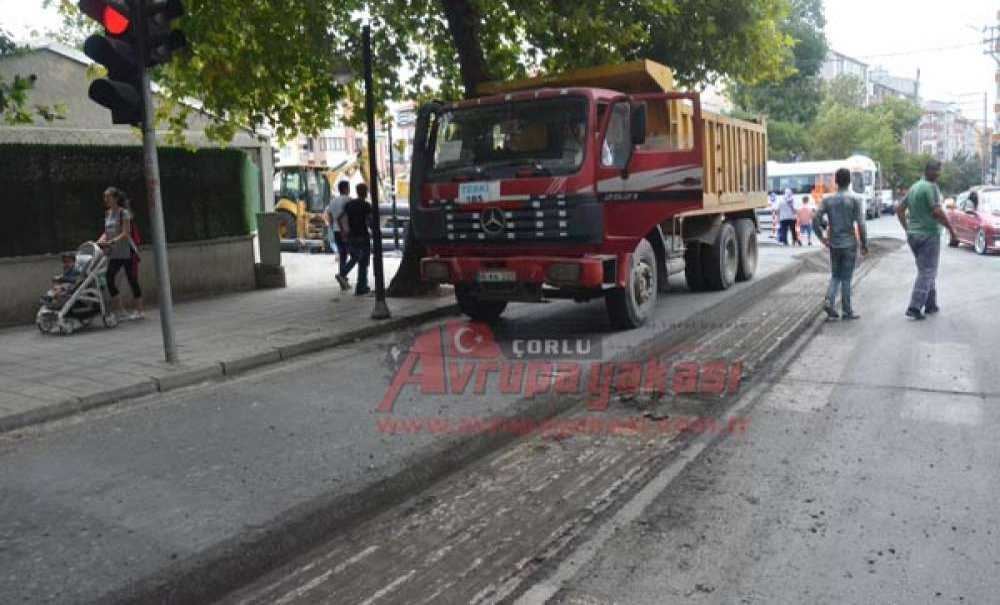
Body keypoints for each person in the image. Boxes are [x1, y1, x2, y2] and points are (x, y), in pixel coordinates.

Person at [896, 160, 958, 320]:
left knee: (925, 269)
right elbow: (937, 211)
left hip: (914, 236)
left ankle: (931, 304)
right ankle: (914, 307)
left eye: (939, 171)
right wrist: (952, 231)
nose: (938, 175)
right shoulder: (932, 187)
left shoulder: (915, 186)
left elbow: (899, 209)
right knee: (928, 271)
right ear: (929, 171)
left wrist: (908, 228)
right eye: (937, 171)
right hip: (928, 235)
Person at [814, 168, 868, 320]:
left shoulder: (827, 200)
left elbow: (815, 219)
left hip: (834, 244)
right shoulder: (855, 199)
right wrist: (864, 244)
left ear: (836, 182)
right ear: (850, 181)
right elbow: (861, 224)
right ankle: (847, 311)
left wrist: (822, 237)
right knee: (846, 278)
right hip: (849, 243)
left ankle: (829, 301)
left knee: (835, 275)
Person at [97, 187, 144, 320]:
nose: (105, 200)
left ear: (115, 198)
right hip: (115, 252)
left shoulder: (124, 213)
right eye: (104, 197)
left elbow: (125, 233)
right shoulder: (108, 213)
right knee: (109, 277)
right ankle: (120, 309)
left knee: (132, 279)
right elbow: (107, 232)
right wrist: (98, 242)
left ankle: (139, 310)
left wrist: (112, 241)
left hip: (127, 251)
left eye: (108, 197)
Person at [340, 182, 373, 296]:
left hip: (351, 236)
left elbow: (341, 218)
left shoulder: (349, 205)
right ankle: (361, 286)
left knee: (355, 257)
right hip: (363, 235)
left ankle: (344, 273)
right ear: (365, 192)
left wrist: (344, 231)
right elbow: (369, 220)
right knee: (363, 262)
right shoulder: (366, 205)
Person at [324, 180, 352, 291]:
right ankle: (342, 274)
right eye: (348, 188)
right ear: (346, 189)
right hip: (345, 230)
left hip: (336, 231)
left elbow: (329, 216)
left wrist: (332, 226)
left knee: (342, 255)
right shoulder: (348, 200)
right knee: (354, 255)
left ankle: (343, 282)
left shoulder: (333, 201)